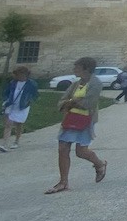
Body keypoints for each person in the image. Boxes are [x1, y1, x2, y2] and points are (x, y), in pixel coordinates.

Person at [46, 56, 107, 194]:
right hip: (70, 118)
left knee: (81, 152)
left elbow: (88, 103)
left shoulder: (95, 83)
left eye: (77, 67)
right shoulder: (75, 84)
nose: (74, 69)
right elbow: (62, 101)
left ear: (86, 68)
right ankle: (63, 182)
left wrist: (71, 101)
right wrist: (74, 101)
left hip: (85, 120)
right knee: (62, 148)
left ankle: (100, 164)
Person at [0, 66, 39, 152]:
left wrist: (29, 101)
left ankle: (16, 141)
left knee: (19, 124)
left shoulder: (32, 84)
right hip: (11, 105)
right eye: (16, 74)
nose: (17, 76)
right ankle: (4, 144)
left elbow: (35, 95)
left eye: (19, 74)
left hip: (22, 106)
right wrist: (5, 100)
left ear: (25, 75)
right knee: (8, 124)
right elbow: (6, 92)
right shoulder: (13, 82)